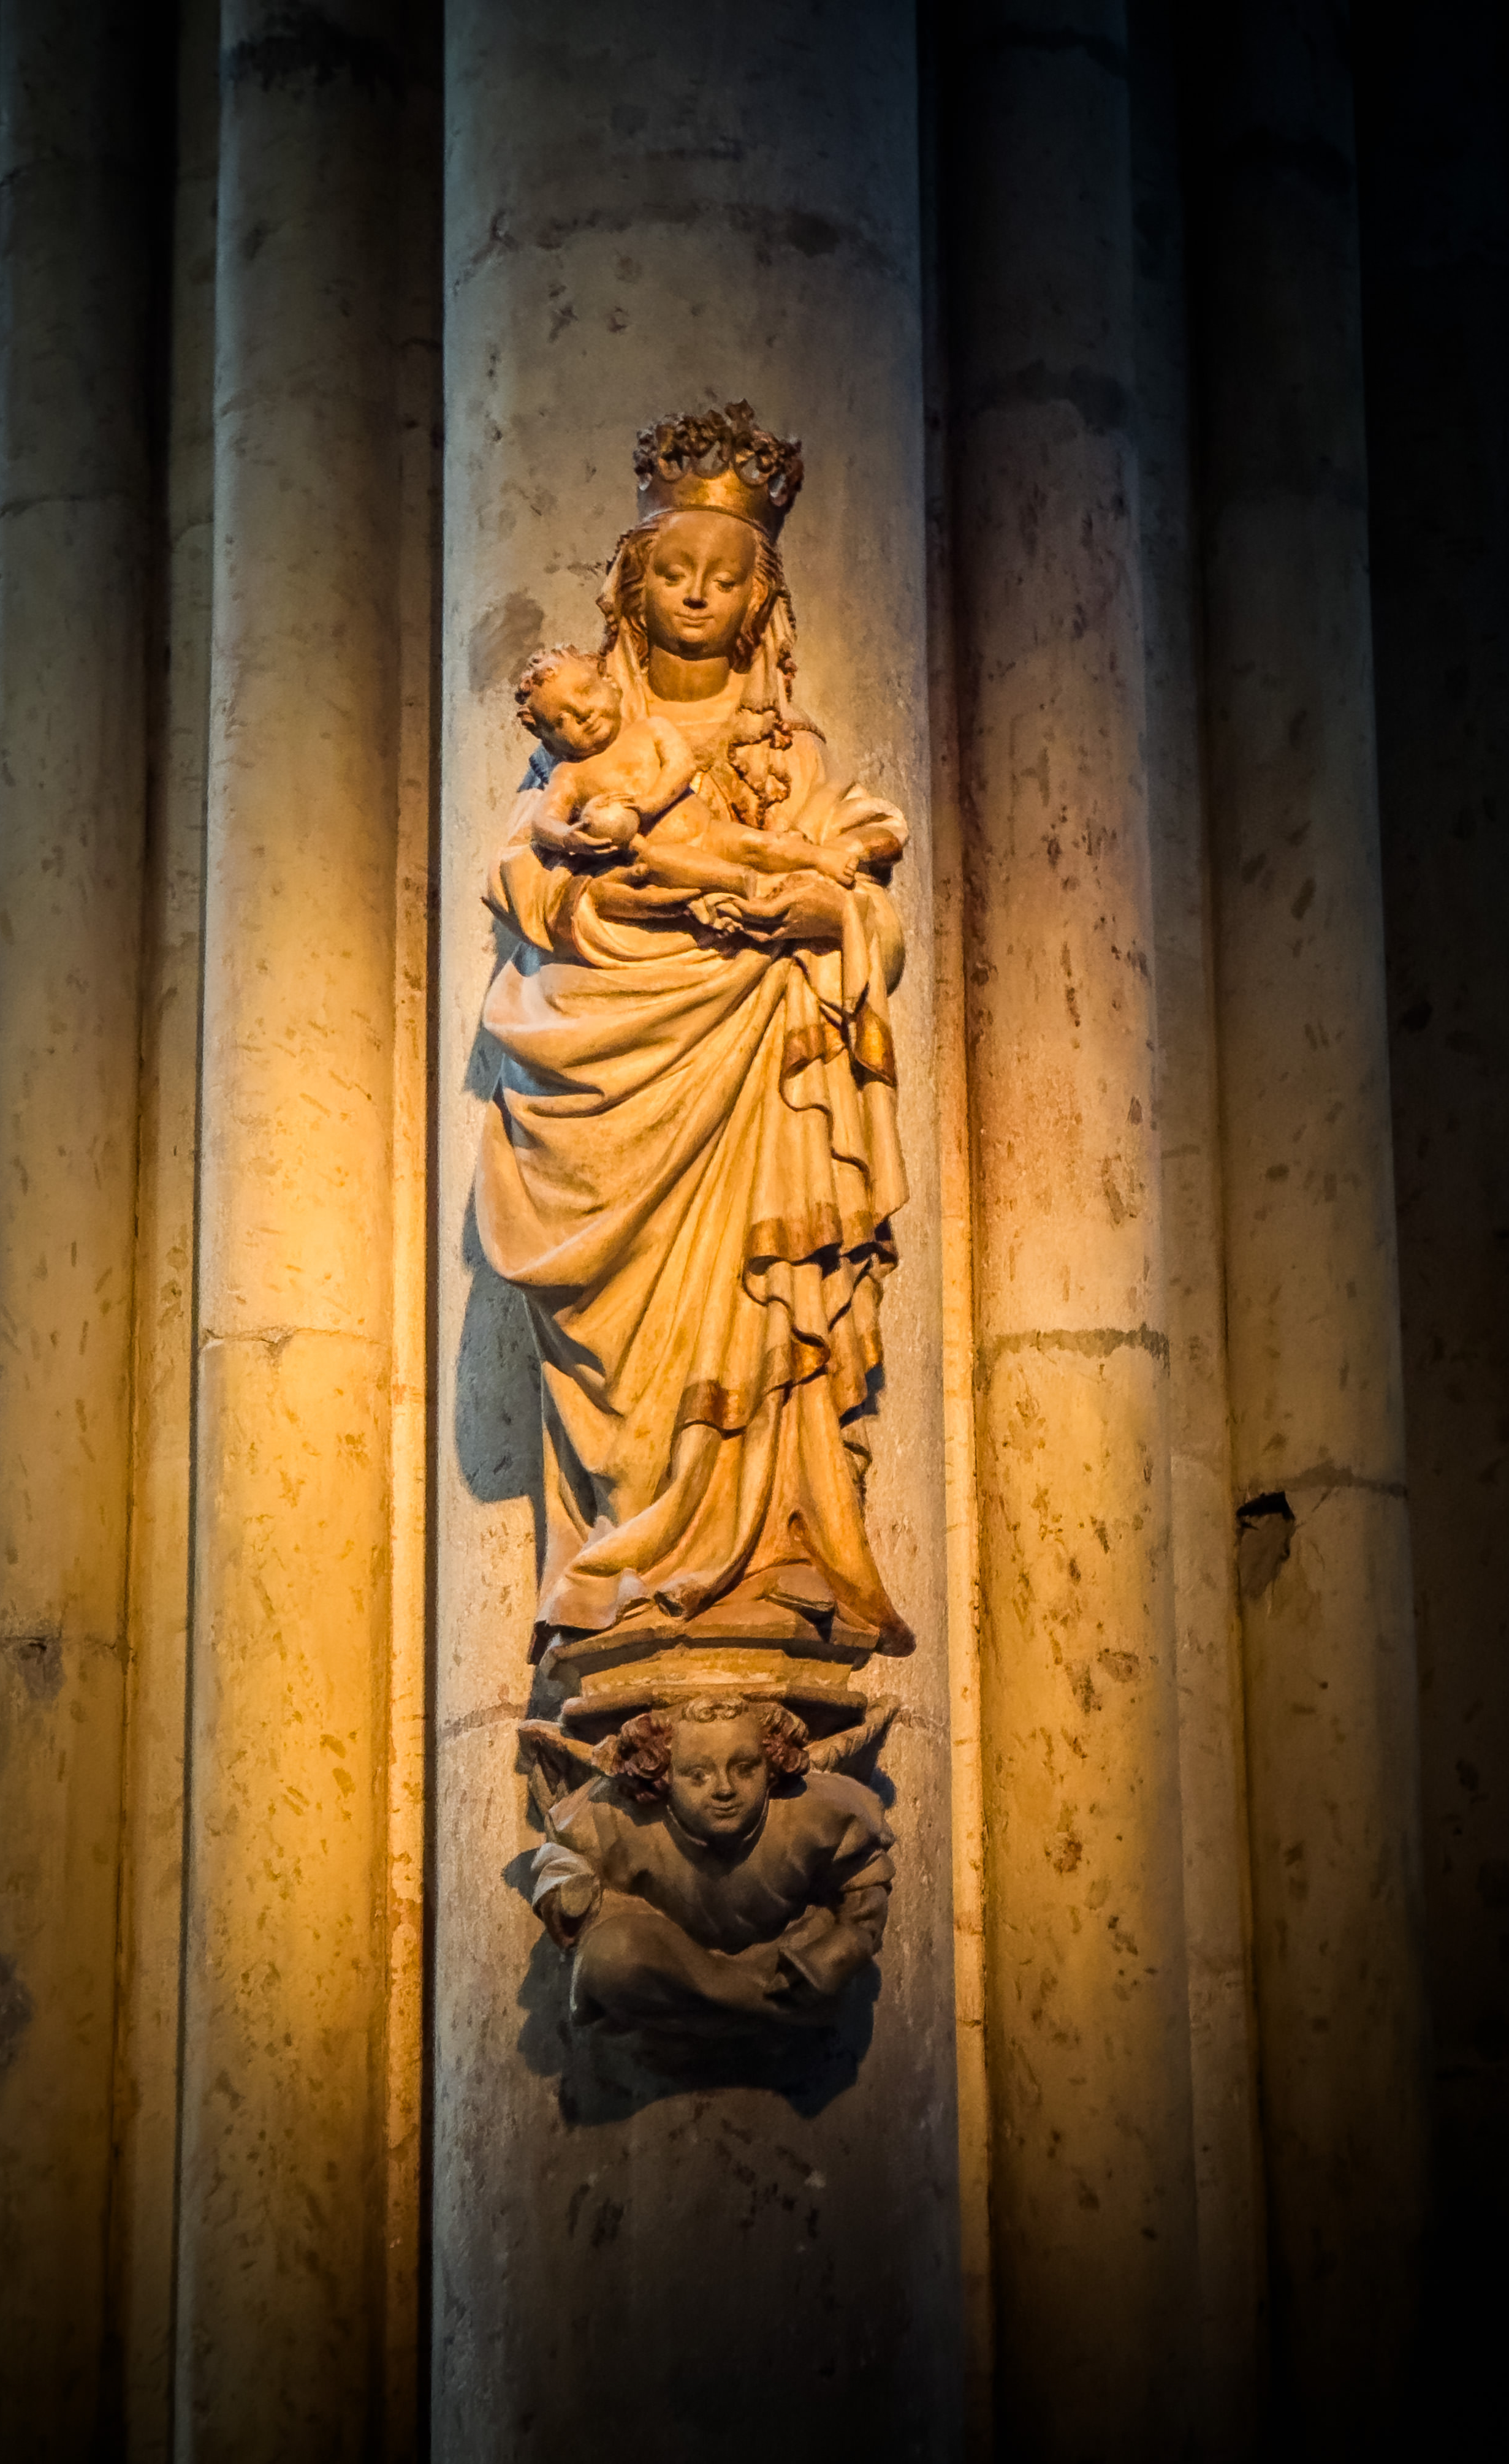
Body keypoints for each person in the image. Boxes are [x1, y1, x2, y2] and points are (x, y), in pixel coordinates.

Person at [477, 402, 915, 1657]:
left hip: (754, 1079)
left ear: (759, 602)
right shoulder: (582, 747)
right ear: (633, 586)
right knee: (628, 1365)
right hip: (613, 1073)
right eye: (673, 571)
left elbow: (863, 918)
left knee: (756, 1307)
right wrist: (615, 894)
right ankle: (629, 1547)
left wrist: (821, 911)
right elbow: (527, 886)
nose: (696, 595)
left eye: (723, 578)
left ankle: (762, 1548)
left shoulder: (790, 753)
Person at [528, 1696, 894, 2035]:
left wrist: (847, 1943)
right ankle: (756, 2008)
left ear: (772, 1764)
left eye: (745, 1768)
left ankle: (730, 2013)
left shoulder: (817, 1810)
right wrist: (567, 1891)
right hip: (673, 1962)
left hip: (790, 1961)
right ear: (664, 1774)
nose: (724, 1789)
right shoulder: (617, 1813)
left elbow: (865, 1880)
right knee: (610, 1955)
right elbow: (563, 1850)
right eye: (698, 1774)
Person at [513, 642, 861, 916]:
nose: (582, 713)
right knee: (697, 872)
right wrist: (570, 839)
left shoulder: (651, 730)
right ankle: (755, 888)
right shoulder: (569, 774)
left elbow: (682, 766)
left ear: (611, 685)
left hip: (706, 829)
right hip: (656, 855)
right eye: (561, 720)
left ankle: (819, 860)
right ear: (548, 740)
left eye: (586, 691)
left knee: (759, 844)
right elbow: (543, 821)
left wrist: (650, 804)